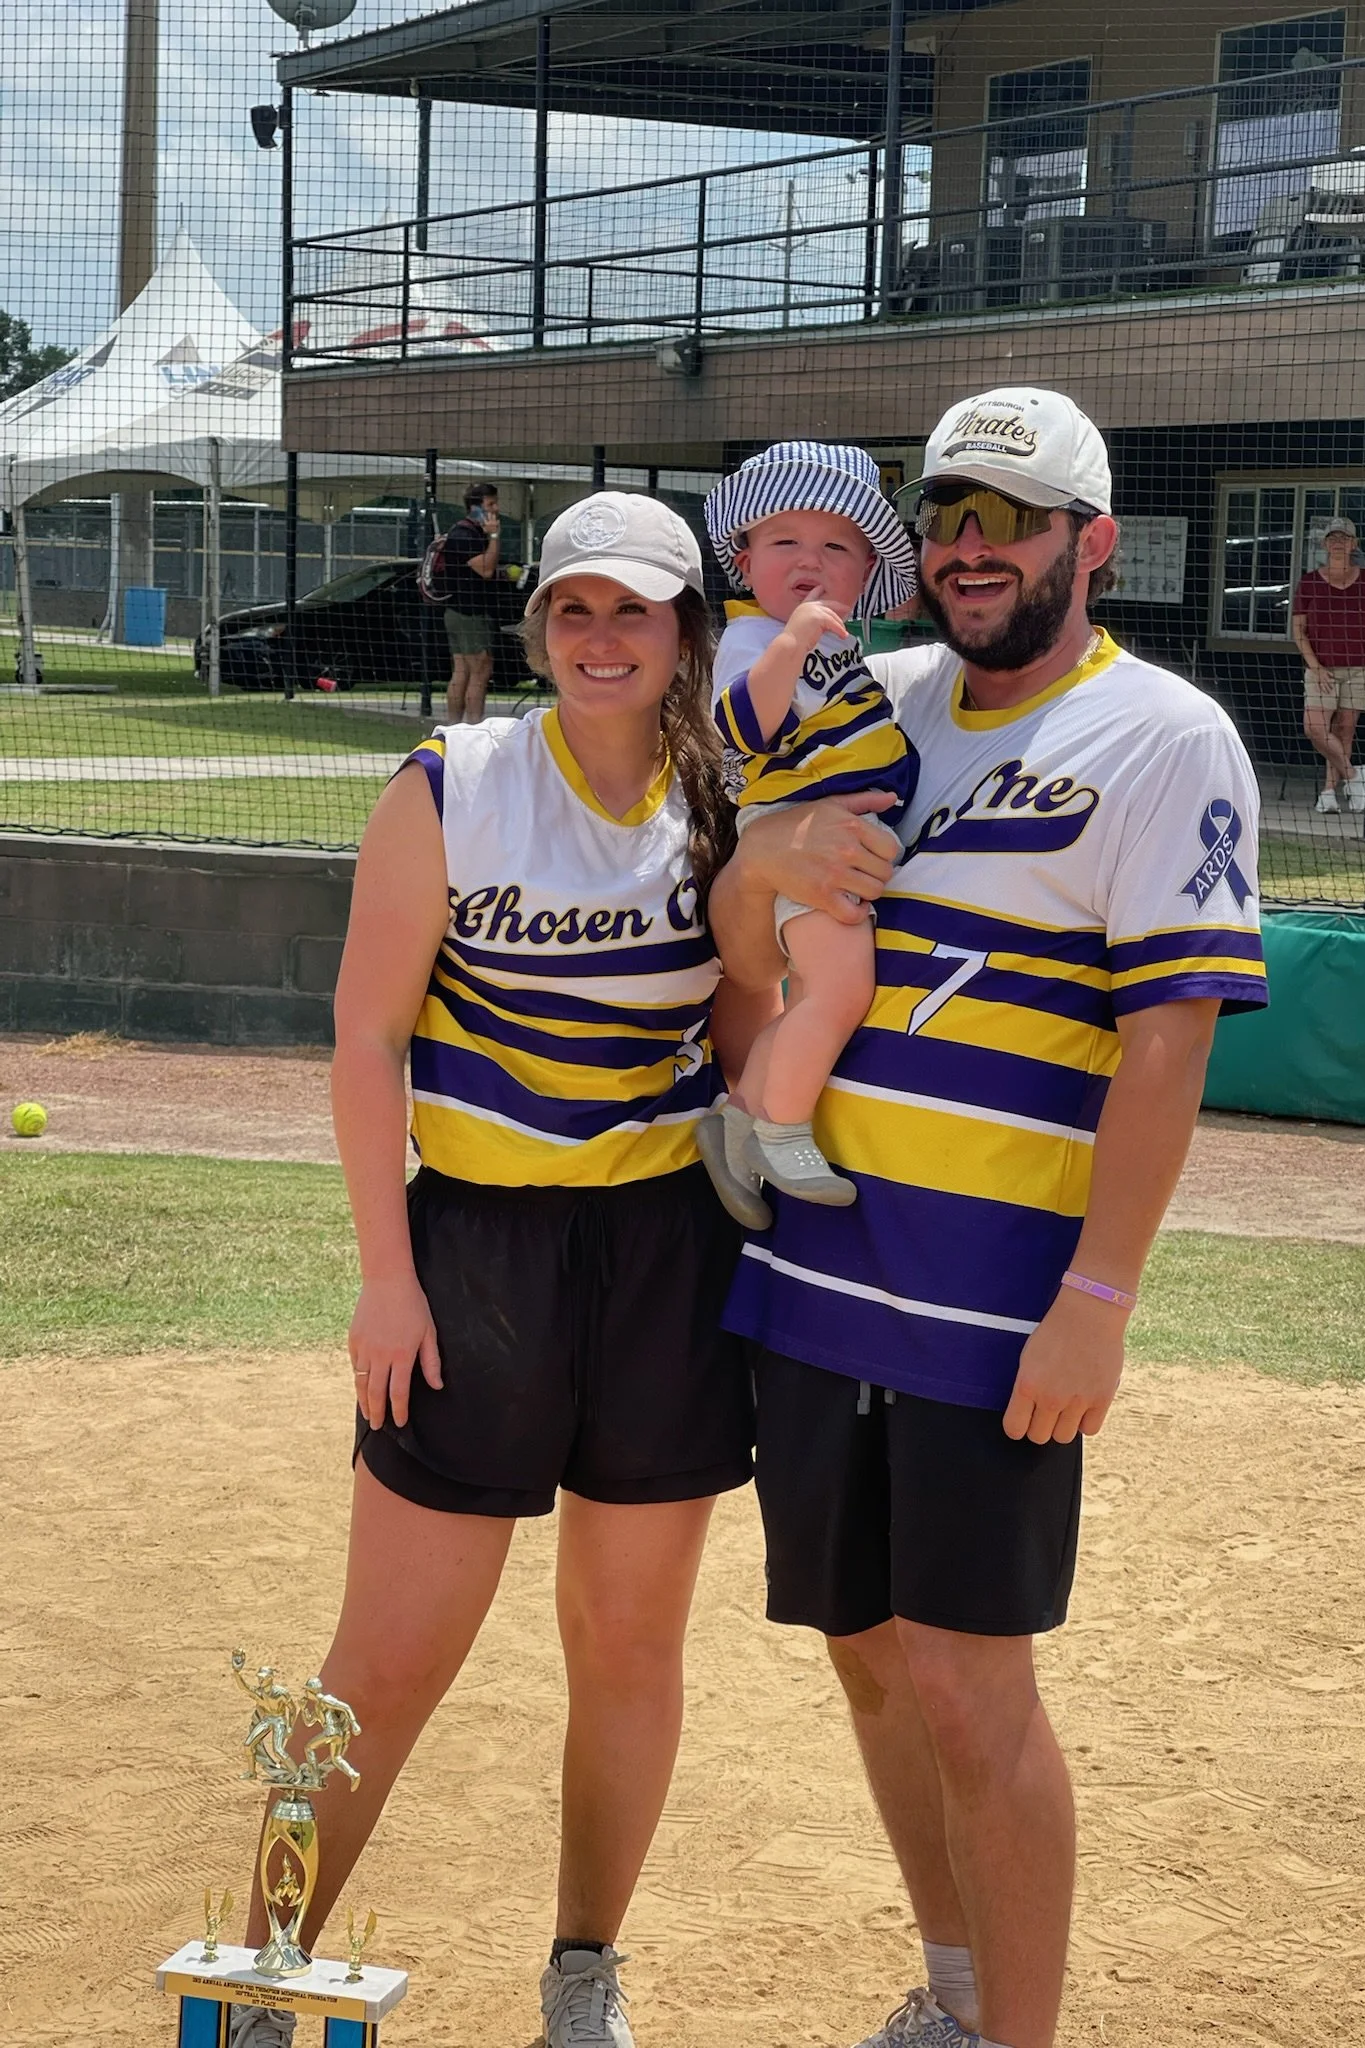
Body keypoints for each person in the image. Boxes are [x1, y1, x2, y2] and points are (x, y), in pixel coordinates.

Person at [709, 387, 1270, 2048]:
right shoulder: (863, 700)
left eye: (1008, 522)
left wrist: (1100, 1291)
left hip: (993, 1305)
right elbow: (747, 932)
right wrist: (772, 866)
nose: (970, 550)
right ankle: (953, 1994)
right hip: (815, 1267)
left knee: (970, 1676)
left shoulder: (1165, 735)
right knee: (869, 1647)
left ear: (1086, 544)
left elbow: (1167, 1042)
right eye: (947, 518)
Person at [230, 492, 776, 2048]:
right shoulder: (450, 785)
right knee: (386, 1658)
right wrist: (385, 1275)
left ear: (684, 633)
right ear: (539, 626)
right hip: (476, 1251)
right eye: (575, 611)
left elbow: (737, 1037)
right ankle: (262, 1973)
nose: (603, 640)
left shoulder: (719, 801)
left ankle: (583, 1971)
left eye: (638, 612)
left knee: (626, 1644)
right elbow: (365, 1035)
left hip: (665, 1259)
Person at [698, 441, 917, 1211]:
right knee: (839, 989)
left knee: (829, 985)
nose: (809, 561)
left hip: (841, 840)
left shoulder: (845, 647)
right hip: (800, 842)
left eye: (836, 547)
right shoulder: (755, 639)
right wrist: (790, 644)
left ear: (864, 576)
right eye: (784, 541)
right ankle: (785, 1133)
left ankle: (738, 1121)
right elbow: (743, 728)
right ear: (745, 559)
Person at [1291, 514, 1365, 814]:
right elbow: (1298, 631)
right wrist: (1314, 666)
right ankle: (1355, 777)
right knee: (1314, 727)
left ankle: (1329, 793)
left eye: (1344, 538)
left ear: (1355, 543)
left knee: (1345, 729)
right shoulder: (1309, 582)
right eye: (1333, 538)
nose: (1339, 543)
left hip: (1360, 666)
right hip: (1322, 667)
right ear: (1324, 544)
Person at [440, 481, 504, 725]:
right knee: (480, 671)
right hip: (469, 614)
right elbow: (486, 569)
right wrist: (495, 535)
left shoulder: (469, 533)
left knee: (463, 672)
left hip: (459, 612)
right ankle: (473, 728)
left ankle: (454, 727)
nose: (496, 509)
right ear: (475, 507)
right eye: (490, 504)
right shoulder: (464, 534)